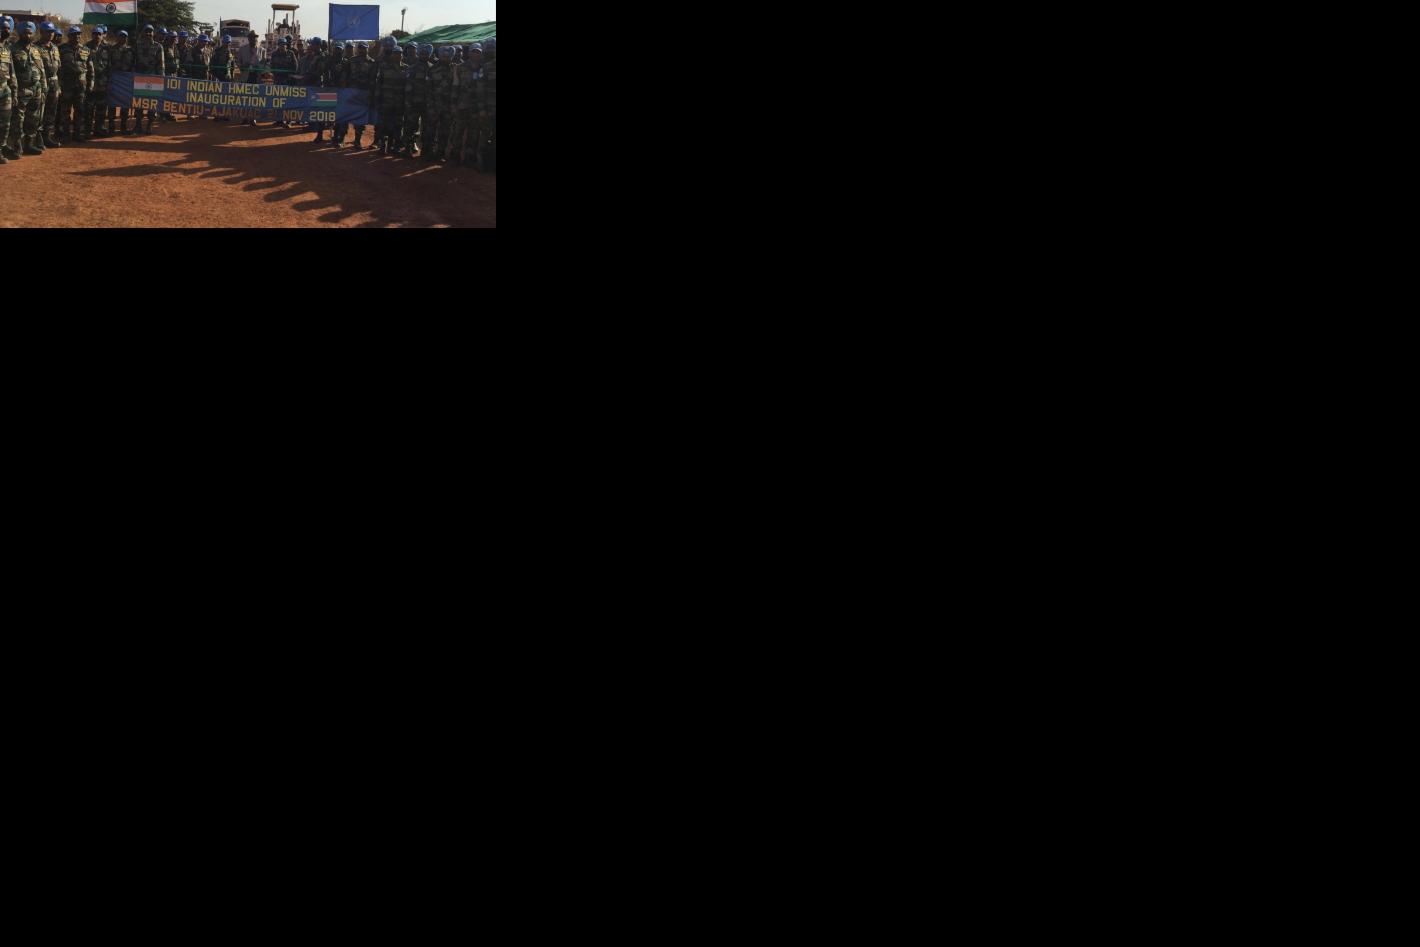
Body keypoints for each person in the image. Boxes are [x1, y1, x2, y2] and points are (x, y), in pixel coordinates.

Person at [5, 20, 45, 156]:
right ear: (20, 34)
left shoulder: (36, 49)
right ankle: (17, 147)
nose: (28, 35)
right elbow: (10, 72)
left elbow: (41, 69)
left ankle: (29, 144)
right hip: (21, 89)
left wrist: (43, 87)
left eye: (30, 33)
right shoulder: (12, 49)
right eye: (25, 33)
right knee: (18, 119)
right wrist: (14, 91)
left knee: (33, 118)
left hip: (36, 88)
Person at [57, 26, 91, 143]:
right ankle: (65, 134)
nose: (77, 36)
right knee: (65, 111)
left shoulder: (86, 50)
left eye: (78, 34)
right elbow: (57, 67)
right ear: (69, 36)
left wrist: (90, 84)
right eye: (74, 34)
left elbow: (90, 69)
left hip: (81, 86)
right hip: (66, 85)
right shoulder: (61, 49)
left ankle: (77, 133)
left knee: (80, 110)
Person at [372, 36, 404, 155]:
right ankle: (382, 145)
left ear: (402, 55)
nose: (396, 55)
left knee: (397, 125)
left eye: (399, 54)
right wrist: (377, 98)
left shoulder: (406, 68)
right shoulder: (383, 67)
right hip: (385, 101)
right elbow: (378, 83)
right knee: (383, 124)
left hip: (399, 102)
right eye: (395, 53)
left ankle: (393, 146)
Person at [400, 43, 432, 157]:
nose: (424, 55)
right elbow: (408, 87)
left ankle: (425, 151)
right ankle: (408, 148)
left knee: (427, 128)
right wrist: (408, 102)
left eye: (426, 54)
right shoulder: (412, 68)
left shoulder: (433, 68)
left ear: (429, 54)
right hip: (414, 103)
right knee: (411, 126)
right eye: (422, 53)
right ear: (419, 54)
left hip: (428, 104)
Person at [344, 40, 376, 148]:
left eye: (364, 48)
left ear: (367, 49)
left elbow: (373, 79)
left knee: (361, 117)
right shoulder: (352, 60)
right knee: (353, 115)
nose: (362, 50)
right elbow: (347, 75)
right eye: (360, 48)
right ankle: (353, 137)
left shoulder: (372, 62)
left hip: (364, 94)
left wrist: (370, 92)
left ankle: (358, 140)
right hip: (353, 93)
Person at [35, 22, 60, 149]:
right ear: (41, 32)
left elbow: (58, 67)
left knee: (51, 111)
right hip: (41, 83)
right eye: (48, 32)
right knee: (40, 112)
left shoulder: (55, 48)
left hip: (54, 83)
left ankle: (47, 137)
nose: (51, 34)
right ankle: (37, 139)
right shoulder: (36, 47)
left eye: (52, 32)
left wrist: (58, 86)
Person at [427, 45, 454, 162]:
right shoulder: (432, 70)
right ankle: (428, 153)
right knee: (430, 131)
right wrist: (430, 107)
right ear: (440, 56)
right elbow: (428, 90)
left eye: (448, 56)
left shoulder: (455, 69)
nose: (446, 58)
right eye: (444, 56)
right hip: (434, 105)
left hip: (448, 107)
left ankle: (440, 153)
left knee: (445, 131)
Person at [296, 36, 324, 134]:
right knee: (310, 106)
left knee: (316, 107)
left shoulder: (321, 56)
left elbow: (319, 72)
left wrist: (307, 76)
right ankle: (311, 124)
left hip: (316, 84)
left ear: (317, 45)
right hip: (310, 84)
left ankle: (315, 126)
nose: (311, 45)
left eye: (312, 44)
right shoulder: (315, 55)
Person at [107, 30, 134, 133]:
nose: (123, 38)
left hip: (126, 81)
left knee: (125, 104)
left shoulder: (131, 50)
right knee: (112, 103)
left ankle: (123, 126)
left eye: (125, 36)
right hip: (115, 79)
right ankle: (111, 126)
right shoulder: (111, 49)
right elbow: (108, 64)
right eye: (121, 36)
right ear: (117, 37)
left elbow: (133, 65)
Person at [235, 30, 263, 126]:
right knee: (245, 98)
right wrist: (243, 66)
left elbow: (264, 63)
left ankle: (253, 118)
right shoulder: (242, 49)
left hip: (256, 77)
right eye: (251, 38)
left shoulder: (261, 50)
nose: (253, 39)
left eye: (254, 38)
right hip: (245, 76)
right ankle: (244, 117)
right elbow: (238, 61)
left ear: (256, 39)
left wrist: (258, 67)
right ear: (248, 39)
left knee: (255, 99)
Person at [269, 35, 297, 126]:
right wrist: (276, 72)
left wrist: (289, 73)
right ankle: (279, 120)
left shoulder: (291, 53)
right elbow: (271, 66)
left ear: (286, 45)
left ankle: (288, 120)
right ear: (278, 45)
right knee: (278, 101)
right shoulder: (274, 54)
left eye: (284, 44)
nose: (282, 46)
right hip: (278, 80)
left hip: (288, 81)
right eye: (280, 44)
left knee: (288, 101)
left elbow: (295, 66)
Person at [87, 26, 109, 137]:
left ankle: (99, 128)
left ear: (102, 36)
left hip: (103, 83)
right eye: (95, 34)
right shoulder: (86, 47)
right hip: (90, 83)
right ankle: (88, 129)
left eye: (99, 34)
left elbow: (110, 65)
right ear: (92, 35)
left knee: (101, 107)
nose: (97, 36)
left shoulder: (107, 48)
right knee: (89, 108)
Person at [326, 42, 349, 146]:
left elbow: (348, 76)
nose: (338, 51)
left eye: (339, 49)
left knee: (342, 115)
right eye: (336, 49)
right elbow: (325, 74)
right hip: (331, 91)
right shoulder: (329, 61)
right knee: (332, 115)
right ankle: (334, 137)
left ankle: (341, 138)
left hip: (342, 92)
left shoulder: (346, 62)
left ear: (342, 50)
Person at [0, 17, 15, 164]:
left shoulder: (7, 49)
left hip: (5, 91)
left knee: (5, 123)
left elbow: (12, 72)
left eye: (8, 28)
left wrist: (14, 91)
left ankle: (1, 149)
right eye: (3, 28)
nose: (6, 31)